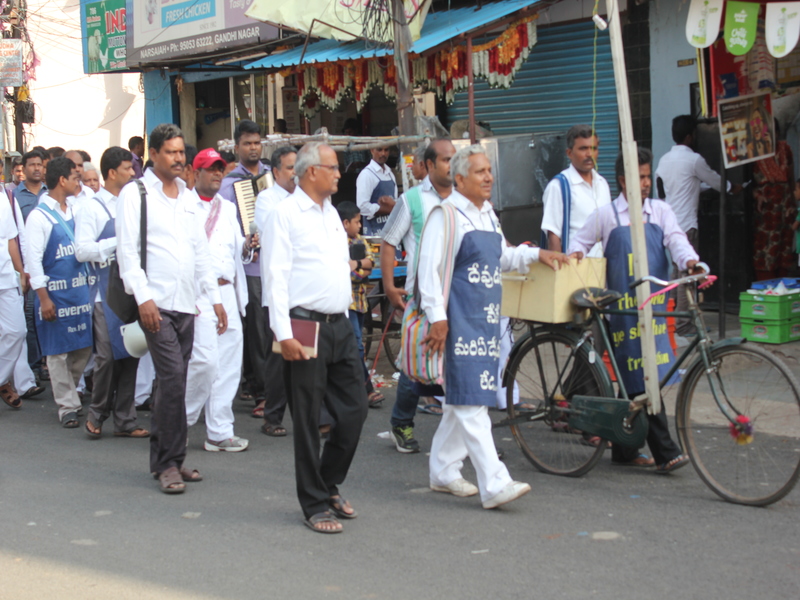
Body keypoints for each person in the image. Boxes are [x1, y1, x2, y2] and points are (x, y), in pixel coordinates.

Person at [417, 145, 568, 509]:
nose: (489, 177)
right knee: (473, 403)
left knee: (465, 398)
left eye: (489, 170)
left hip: (484, 320)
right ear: (460, 178)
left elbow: (501, 256)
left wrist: (536, 254)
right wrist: (437, 319)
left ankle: (442, 470)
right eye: (481, 172)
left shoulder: (487, 215)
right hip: (456, 321)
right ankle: (495, 482)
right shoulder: (446, 215)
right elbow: (428, 269)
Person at [569, 147, 698, 474]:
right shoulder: (607, 215)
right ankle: (665, 451)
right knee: (640, 378)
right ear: (624, 180)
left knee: (641, 379)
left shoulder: (660, 211)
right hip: (622, 314)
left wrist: (691, 262)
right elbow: (577, 247)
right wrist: (579, 266)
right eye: (639, 177)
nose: (645, 183)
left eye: (647, 176)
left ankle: (626, 449)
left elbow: (677, 240)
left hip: (654, 310)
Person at [262, 142, 368, 533]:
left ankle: (327, 482)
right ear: (311, 172)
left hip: (340, 323)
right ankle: (314, 503)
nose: (340, 174)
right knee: (307, 420)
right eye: (333, 167)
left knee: (354, 411)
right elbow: (274, 279)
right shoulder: (284, 215)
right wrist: (283, 333)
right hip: (303, 326)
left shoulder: (329, 215)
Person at [117, 123, 226, 494]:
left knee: (173, 382)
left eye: (182, 152)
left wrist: (213, 298)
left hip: (187, 303)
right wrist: (143, 298)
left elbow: (200, 252)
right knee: (174, 377)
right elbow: (127, 251)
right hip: (155, 303)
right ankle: (167, 464)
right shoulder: (136, 194)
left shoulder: (187, 195)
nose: (179, 159)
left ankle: (171, 459)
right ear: (154, 154)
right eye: (172, 152)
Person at [380, 139, 456, 452]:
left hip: (457, 296)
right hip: (422, 298)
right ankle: (401, 424)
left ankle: (467, 435)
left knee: (458, 366)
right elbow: (388, 242)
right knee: (416, 366)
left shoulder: (463, 198)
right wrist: (388, 287)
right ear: (428, 164)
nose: (453, 165)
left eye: (455, 158)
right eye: (447, 159)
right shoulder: (411, 199)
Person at [75, 146, 149, 440]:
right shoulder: (92, 207)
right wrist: (117, 242)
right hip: (103, 292)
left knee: (132, 352)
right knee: (106, 356)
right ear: (111, 173)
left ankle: (125, 419)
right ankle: (97, 412)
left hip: (130, 288)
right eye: (128, 169)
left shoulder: (133, 203)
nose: (133, 173)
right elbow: (82, 251)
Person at [185, 148, 254, 452]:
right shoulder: (183, 206)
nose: (216, 174)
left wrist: (249, 244)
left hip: (228, 292)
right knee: (204, 362)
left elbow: (237, 246)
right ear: (194, 172)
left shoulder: (227, 208)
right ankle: (178, 420)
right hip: (198, 294)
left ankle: (219, 431)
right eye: (210, 168)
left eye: (220, 169)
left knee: (228, 364)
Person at [655, 115, 741, 335]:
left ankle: (672, 321)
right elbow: (715, 180)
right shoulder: (694, 160)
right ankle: (684, 326)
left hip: (668, 225)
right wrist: (732, 187)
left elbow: (676, 189)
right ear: (690, 136)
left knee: (676, 274)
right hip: (686, 226)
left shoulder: (664, 160)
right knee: (687, 276)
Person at [25, 156, 93, 428]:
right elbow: (33, 261)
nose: (79, 182)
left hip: (80, 293)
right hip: (54, 294)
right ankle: (67, 405)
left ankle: (69, 390)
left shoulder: (78, 210)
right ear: (62, 180)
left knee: (83, 347)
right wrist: (43, 298)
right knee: (56, 352)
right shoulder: (38, 217)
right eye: (75, 178)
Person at [219, 120, 269, 415]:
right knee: (256, 329)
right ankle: (260, 389)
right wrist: (245, 241)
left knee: (264, 327)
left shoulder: (271, 176)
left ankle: (257, 383)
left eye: (257, 143)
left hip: (273, 263)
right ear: (237, 147)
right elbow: (226, 226)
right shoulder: (229, 184)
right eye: (248, 143)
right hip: (248, 266)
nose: (253, 148)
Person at [253, 146, 296, 435]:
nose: (295, 173)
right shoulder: (268, 200)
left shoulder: (311, 200)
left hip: (304, 291)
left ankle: (314, 416)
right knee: (279, 355)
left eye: (298, 167)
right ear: (276, 172)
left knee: (308, 355)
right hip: (279, 290)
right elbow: (275, 233)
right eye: (290, 168)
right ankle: (273, 416)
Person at [337, 200, 384, 408]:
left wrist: (355, 267)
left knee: (356, 346)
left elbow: (370, 264)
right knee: (355, 345)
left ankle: (356, 389)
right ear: (345, 223)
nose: (360, 226)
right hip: (346, 304)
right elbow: (347, 272)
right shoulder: (337, 243)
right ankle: (366, 389)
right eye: (357, 222)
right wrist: (359, 268)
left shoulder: (361, 241)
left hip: (360, 302)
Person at [541, 124, 611, 256]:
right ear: (569, 153)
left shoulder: (602, 184)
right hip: (575, 269)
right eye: (583, 149)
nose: (589, 154)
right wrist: (560, 272)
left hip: (604, 269)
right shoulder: (559, 186)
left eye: (593, 148)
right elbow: (553, 235)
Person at [13, 150, 48, 383]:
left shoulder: (51, 193)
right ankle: (34, 365)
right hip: (27, 265)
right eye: (31, 165)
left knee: (49, 314)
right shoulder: (14, 196)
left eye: (39, 164)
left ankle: (47, 361)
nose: (36, 168)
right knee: (30, 316)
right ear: (23, 169)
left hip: (51, 263)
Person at [751, 122, 795, 280]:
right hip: (767, 208)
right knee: (766, 248)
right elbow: (748, 183)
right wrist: (756, 195)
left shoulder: (785, 149)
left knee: (786, 246)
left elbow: (790, 177)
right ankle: (766, 287)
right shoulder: (753, 152)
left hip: (785, 204)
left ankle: (784, 287)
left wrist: (794, 204)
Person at [0, 191, 27, 409]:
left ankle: (1, 379)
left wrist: (21, 271)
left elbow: (10, 241)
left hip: (6, 278)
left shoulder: (2, 198)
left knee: (17, 332)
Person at [356, 146, 396, 235]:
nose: (383, 153)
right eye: (379, 150)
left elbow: (395, 201)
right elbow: (362, 206)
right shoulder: (366, 175)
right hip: (374, 233)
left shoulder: (390, 174)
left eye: (386, 150)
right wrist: (385, 209)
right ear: (372, 150)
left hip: (391, 232)